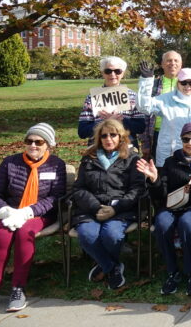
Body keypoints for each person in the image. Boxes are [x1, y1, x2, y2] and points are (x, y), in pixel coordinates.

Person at [136, 123, 191, 296]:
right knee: (161, 222)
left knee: (187, 223)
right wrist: (154, 180)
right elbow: (161, 193)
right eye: (186, 139)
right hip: (172, 206)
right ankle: (172, 271)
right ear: (181, 141)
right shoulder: (170, 162)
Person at [0, 123, 66, 313]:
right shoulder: (10, 162)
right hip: (8, 212)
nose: (33, 145)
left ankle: (18, 288)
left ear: (48, 144)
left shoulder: (56, 165)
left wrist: (27, 212)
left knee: (25, 232)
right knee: (2, 236)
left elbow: (56, 197)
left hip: (39, 214)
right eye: (29, 141)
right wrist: (4, 211)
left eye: (38, 142)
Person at [72, 119, 146, 290]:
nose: (108, 139)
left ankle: (103, 264)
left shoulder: (132, 158)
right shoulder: (89, 158)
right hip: (92, 209)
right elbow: (79, 188)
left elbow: (137, 189)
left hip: (121, 210)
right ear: (99, 138)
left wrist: (115, 208)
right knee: (87, 235)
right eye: (104, 135)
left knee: (111, 235)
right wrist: (96, 207)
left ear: (121, 137)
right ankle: (112, 267)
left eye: (113, 135)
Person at [142, 51, 191, 157]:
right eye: (168, 60)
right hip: (158, 133)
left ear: (181, 65)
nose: (172, 63)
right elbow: (144, 109)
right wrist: (145, 142)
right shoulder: (153, 85)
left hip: (189, 135)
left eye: (176, 60)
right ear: (162, 64)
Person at [78, 56, 146, 146]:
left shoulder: (133, 97)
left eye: (117, 71)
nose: (112, 74)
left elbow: (140, 128)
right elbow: (82, 132)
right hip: (98, 148)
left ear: (123, 73)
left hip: (126, 148)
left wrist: (122, 120)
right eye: (108, 71)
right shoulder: (92, 98)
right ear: (102, 73)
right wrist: (104, 122)